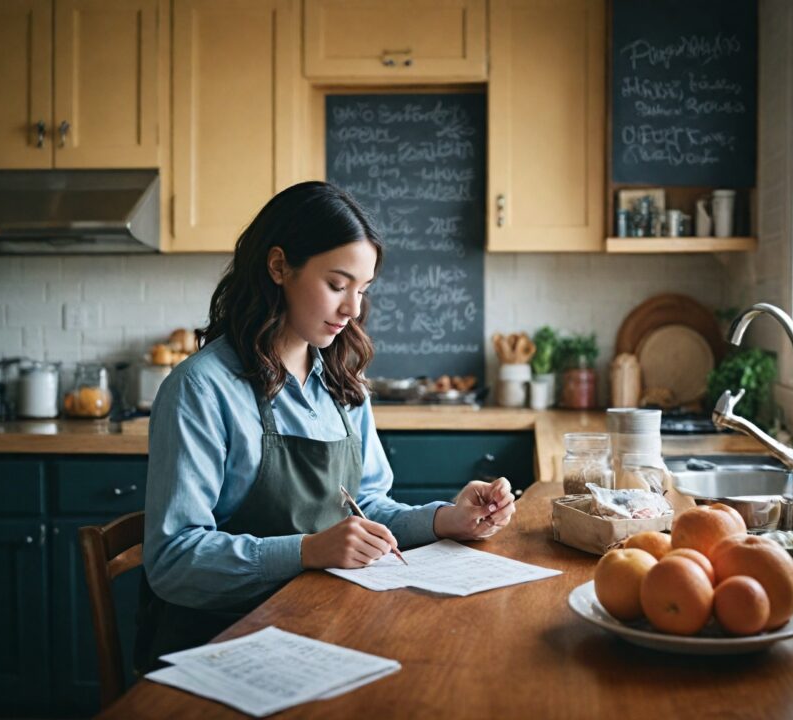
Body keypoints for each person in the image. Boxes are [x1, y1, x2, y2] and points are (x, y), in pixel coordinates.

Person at [135, 181, 515, 671]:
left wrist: (448, 520)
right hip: (221, 647)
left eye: (362, 290)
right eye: (337, 285)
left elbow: (367, 506)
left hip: (319, 630)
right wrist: (310, 550)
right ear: (278, 267)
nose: (353, 309)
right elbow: (172, 561)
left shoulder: (342, 383)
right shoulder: (201, 389)